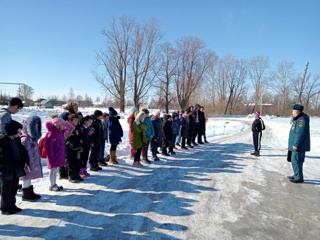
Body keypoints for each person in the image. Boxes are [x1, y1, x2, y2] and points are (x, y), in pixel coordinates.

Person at [0, 120, 28, 215]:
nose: (20, 133)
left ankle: (12, 205)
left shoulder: (17, 140)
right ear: (12, 131)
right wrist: (19, 164)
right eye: (19, 131)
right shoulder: (3, 142)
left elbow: (23, 152)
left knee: (14, 188)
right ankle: (5, 207)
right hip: (7, 171)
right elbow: (5, 159)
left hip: (16, 170)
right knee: (6, 190)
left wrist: (26, 160)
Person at [20, 116, 43, 201]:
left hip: (31, 162)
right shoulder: (26, 139)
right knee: (25, 177)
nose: (36, 127)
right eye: (34, 126)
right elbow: (28, 154)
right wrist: (31, 165)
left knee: (28, 177)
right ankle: (26, 193)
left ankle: (29, 191)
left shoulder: (32, 138)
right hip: (27, 164)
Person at [287, 104, 310, 183]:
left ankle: (298, 177)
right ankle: (296, 174)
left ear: (296, 111)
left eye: (293, 110)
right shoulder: (297, 119)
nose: (292, 112)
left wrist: (296, 144)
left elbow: (300, 133)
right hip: (297, 145)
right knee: (295, 160)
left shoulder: (301, 120)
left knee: (296, 161)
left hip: (299, 146)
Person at [45, 117, 67, 191]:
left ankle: (54, 183)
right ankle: (52, 185)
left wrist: (64, 153)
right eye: (62, 125)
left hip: (57, 156)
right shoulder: (51, 134)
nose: (64, 127)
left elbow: (62, 145)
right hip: (53, 156)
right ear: (58, 125)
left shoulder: (60, 133)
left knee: (55, 169)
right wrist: (51, 157)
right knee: (52, 170)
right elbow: (48, 147)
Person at [65, 114, 83, 183]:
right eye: (75, 121)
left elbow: (80, 137)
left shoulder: (78, 127)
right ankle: (71, 175)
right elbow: (64, 137)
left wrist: (81, 146)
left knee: (78, 162)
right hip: (70, 148)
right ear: (70, 121)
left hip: (77, 147)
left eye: (77, 121)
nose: (77, 122)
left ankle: (77, 174)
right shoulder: (67, 128)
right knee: (70, 162)